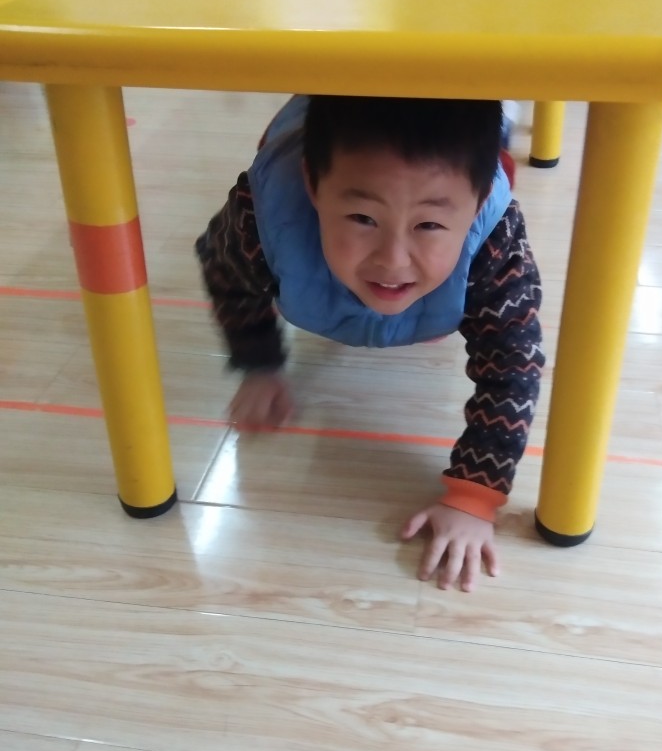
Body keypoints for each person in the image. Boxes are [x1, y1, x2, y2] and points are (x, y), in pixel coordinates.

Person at [195, 94, 544, 592]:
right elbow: (226, 274)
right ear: (313, 186)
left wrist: (474, 495)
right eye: (362, 218)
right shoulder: (261, 217)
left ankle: (503, 109)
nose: (392, 260)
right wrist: (259, 362)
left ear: (478, 202)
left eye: (428, 225)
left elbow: (513, 364)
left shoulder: (495, 239)